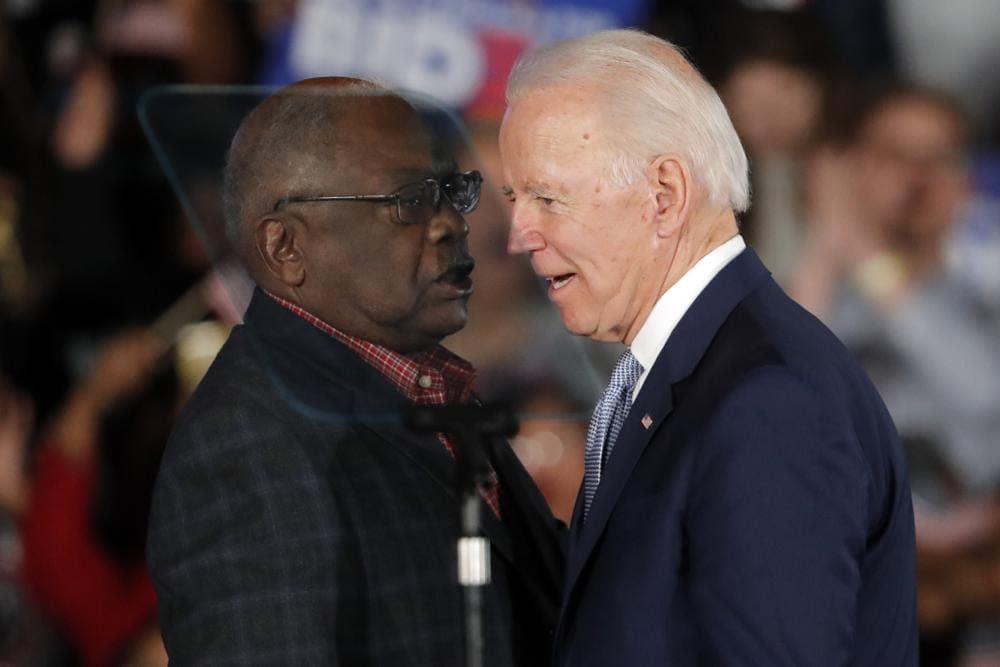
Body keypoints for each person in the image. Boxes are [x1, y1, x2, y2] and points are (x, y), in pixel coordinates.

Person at [499, 29, 917, 665]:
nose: (518, 236)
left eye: (546, 198)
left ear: (665, 195)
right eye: (514, 200)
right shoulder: (690, 369)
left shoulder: (767, 405)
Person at [146, 77, 563, 665]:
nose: (450, 222)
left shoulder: (429, 387)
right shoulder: (249, 445)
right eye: (409, 200)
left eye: (451, 190)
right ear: (286, 247)